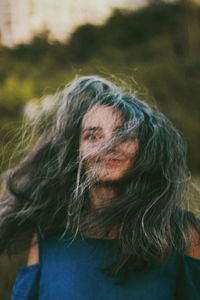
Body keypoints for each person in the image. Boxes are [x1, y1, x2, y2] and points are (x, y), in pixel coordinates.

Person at [0, 75, 199, 299]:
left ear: (145, 148)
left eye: (125, 134)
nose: (109, 145)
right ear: (76, 152)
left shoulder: (181, 234)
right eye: (93, 136)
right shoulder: (49, 234)